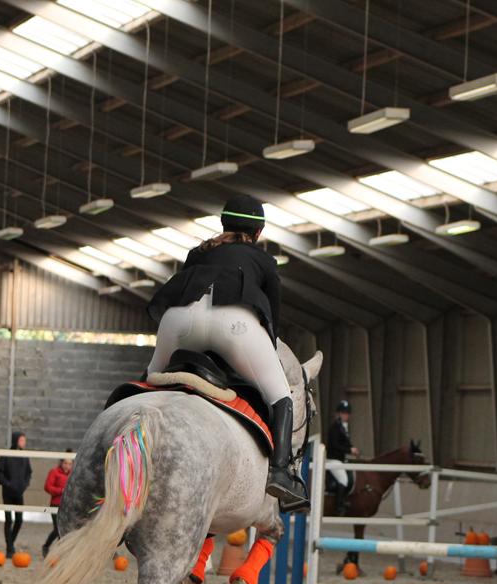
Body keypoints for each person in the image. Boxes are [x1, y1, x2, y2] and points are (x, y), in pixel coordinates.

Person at [147, 194, 306, 511]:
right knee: (281, 397)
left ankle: (121, 448)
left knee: (148, 382)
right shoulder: (263, 260)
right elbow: (272, 316)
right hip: (234, 327)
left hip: (177, 323)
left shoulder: (198, 252)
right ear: (257, 232)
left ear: (224, 223)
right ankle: (280, 472)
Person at [0, 431, 32, 558]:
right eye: (21, 440)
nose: (23, 443)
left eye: (24, 440)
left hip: (19, 492)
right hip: (8, 492)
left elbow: (29, 472)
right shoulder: (6, 455)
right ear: (16, 441)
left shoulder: (25, 457)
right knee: (9, 520)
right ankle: (10, 548)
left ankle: (10, 544)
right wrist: (8, 484)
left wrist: (24, 485)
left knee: (19, 520)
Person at [326, 400, 360, 514]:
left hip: (340, 460)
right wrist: (349, 450)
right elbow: (335, 445)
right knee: (343, 480)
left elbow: (346, 443)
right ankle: (339, 506)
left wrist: (352, 448)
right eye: (344, 413)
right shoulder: (335, 427)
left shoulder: (343, 428)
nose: (346, 415)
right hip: (332, 460)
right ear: (339, 414)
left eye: (347, 413)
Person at [41, 451, 73, 558]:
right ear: (61, 463)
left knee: (65, 530)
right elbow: (47, 487)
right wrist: (61, 490)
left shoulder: (73, 474)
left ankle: (60, 551)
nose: (67, 466)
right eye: (65, 463)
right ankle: (46, 546)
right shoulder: (54, 472)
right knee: (57, 529)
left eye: (69, 464)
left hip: (68, 506)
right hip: (55, 505)